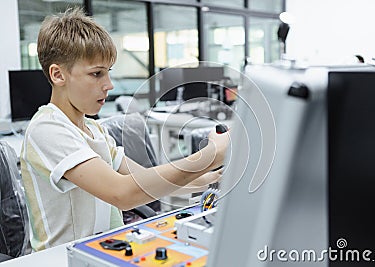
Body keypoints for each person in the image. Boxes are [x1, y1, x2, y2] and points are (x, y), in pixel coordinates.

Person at [20, 7, 229, 252]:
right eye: (96, 74)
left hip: (105, 249)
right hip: (62, 259)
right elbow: (122, 193)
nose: (108, 85)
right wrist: (210, 154)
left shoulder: (94, 129)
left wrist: (218, 176)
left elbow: (149, 181)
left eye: (108, 73)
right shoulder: (47, 128)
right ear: (58, 75)